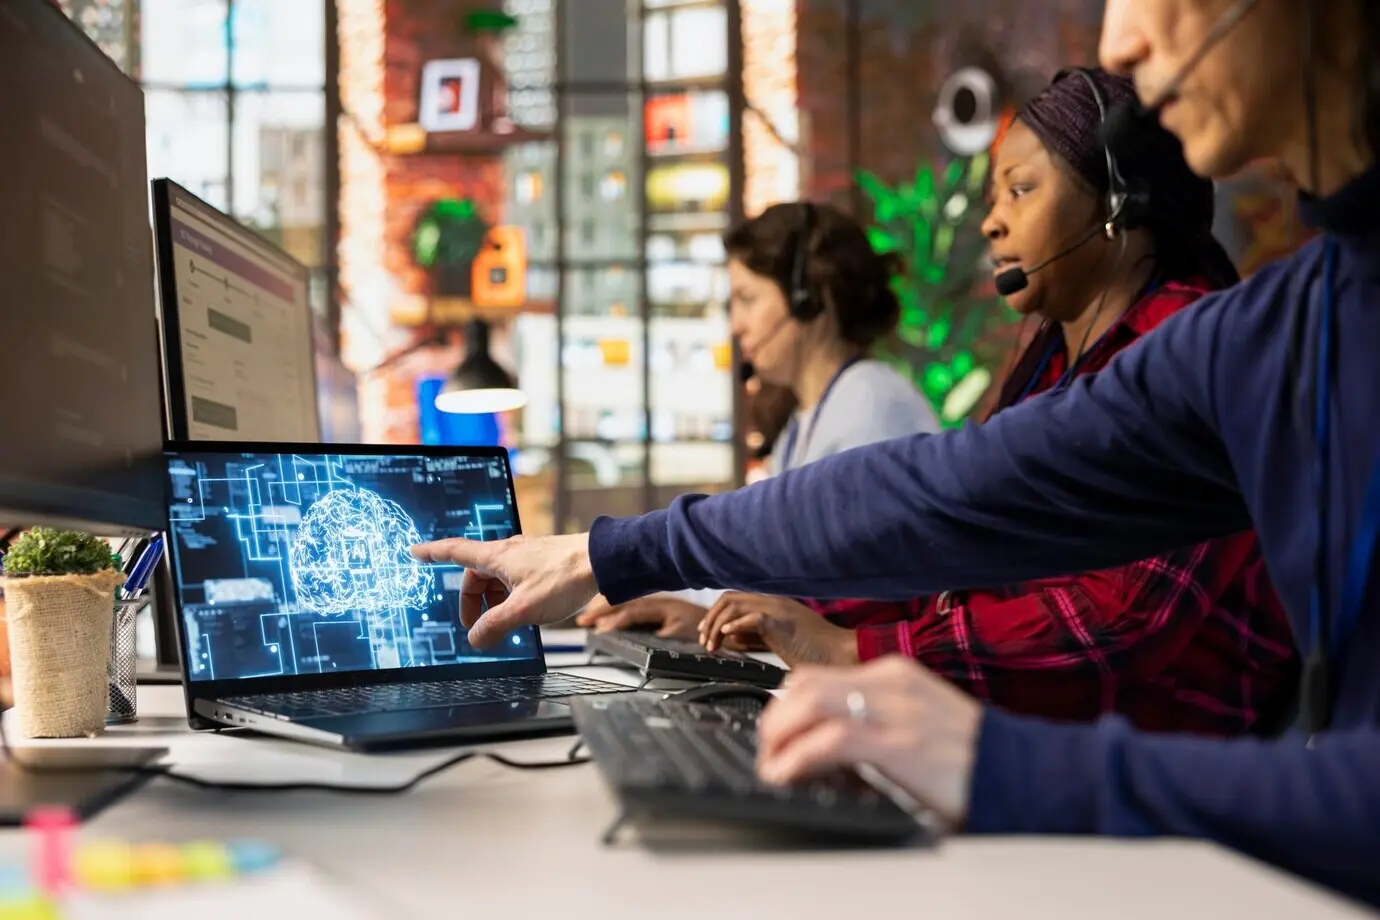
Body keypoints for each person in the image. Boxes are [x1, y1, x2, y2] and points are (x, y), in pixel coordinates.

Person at [411, 0, 1380, 906]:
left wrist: (971, 744)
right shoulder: (1285, 324)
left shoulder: (1233, 330)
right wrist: (612, 551)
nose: (1119, 39)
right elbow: (950, 493)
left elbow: (1113, 621)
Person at [695, 69, 1298, 737]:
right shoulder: (1054, 366)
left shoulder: (1190, 347)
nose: (992, 222)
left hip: (1160, 769)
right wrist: (785, 613)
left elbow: (1121, 621)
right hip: (1052, 742)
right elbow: (962, 543)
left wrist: (850, 648)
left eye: (1021, 190)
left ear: (1118, 203)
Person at [575, 202, 938, 637]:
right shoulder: (806, 420)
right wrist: (695, 613)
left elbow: (849, 599)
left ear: (808, 298)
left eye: (747, 299)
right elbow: (773, 568)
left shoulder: (872, 405)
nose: (737, 325)